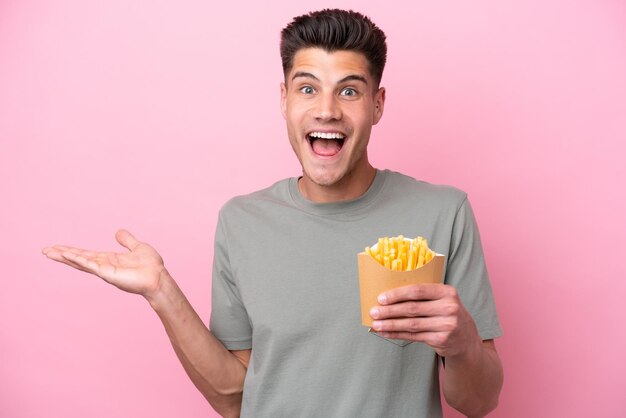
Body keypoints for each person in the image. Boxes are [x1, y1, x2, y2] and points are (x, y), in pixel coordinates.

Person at [43, 9, 503, 418]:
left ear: (377, 104)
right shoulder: (241, 222)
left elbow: (478, 403)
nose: (327, 110)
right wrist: (161, 292)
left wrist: (462, 343)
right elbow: (233, 398)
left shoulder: (444, 213)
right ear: (284, 99)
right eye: (308, 88)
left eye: (348, 90)